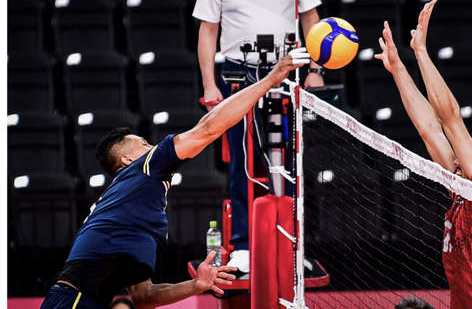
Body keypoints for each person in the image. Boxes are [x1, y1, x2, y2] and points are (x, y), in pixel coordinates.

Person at [40, 52, 309, 309]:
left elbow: (144, 297)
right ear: (126, 160)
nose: (152, 146)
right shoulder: (142, 170)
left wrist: (196, 285)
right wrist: (270, 80)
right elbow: (208, 129)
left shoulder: (134, 207)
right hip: (74, 302)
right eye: (143, 143)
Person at [193, 0, 324, 277]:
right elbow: (208, 31)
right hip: (239, 76)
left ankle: (294, 245)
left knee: (291, 163)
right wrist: (210, 85)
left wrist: (315, 68)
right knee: (242, 163)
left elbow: (311, 17)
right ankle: (243, 247)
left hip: (286, 72)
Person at [375, 0, 472, 309]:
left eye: (464, 158)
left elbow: (450, 119)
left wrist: (421, 52)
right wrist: (398, 68)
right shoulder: (463, 191)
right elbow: (430, 130)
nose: (455, 160)